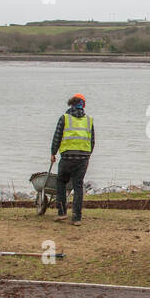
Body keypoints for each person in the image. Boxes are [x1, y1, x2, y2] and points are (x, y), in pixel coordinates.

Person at [50, 93, 94, 225]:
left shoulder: (64, 118)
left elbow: (57, 137)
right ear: (83, 105)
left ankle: (62, 213)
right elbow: (92, 141)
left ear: (71, 104)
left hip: (67, 157)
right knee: (78, 185)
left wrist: (53, 153)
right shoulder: (89, 120)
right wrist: (87, 156)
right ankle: (76, 218)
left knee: (61, 182)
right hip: (83, 158)